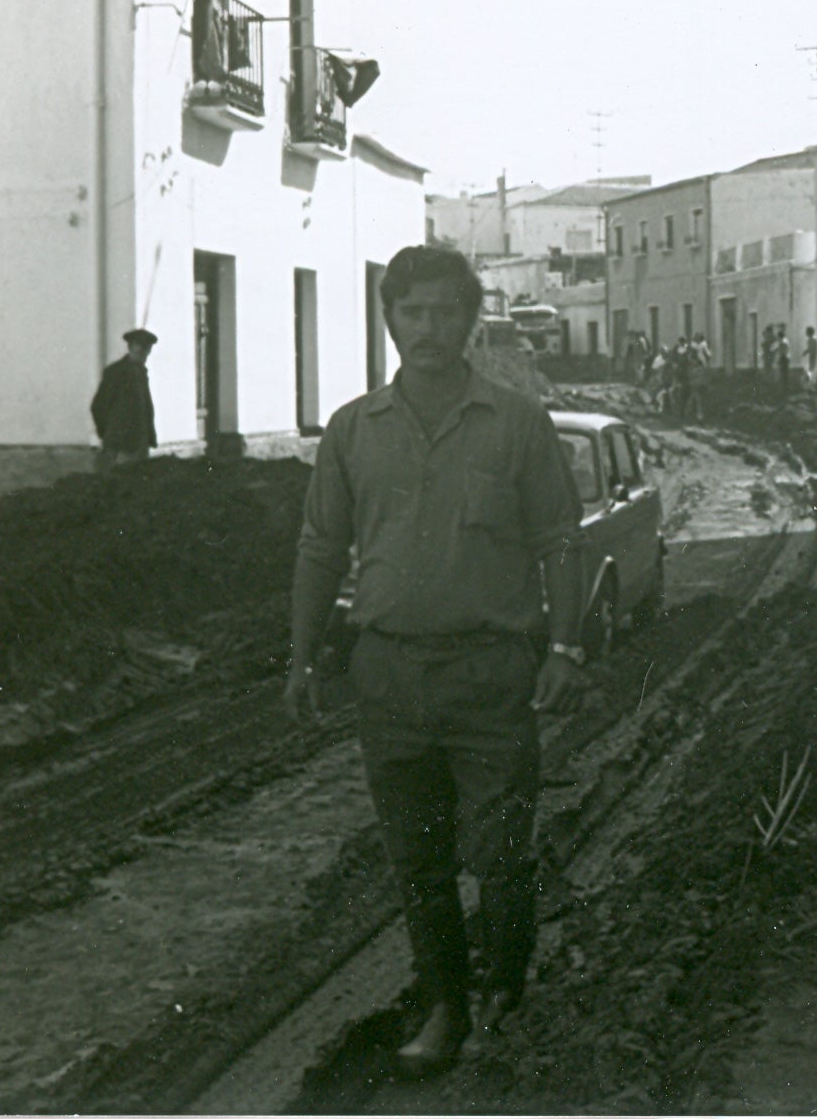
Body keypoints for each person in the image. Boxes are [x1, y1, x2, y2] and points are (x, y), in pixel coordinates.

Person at [285, 245, 589, 1078]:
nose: (428, 328)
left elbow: (559, 538)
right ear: (389, 319)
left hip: (490, 674)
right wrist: (302, 658)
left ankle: (507, 985)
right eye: (412, 311)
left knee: (498, 851)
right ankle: (448, 1003)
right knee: (416, 858)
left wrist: (563, 645)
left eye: (445, 311)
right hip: (387, 676)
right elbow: (319, 548)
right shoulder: (352, 430)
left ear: (471, 319)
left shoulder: (518, 421)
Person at [90, 328, 158, 470]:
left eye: (146, 348)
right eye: (138, 346)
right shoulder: (116, 372)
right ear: (130, 347)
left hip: (140, 444)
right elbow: (98, 406)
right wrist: (109, 435)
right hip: (121, 446)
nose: (142, 351)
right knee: (122, 483)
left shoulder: (141, 372)